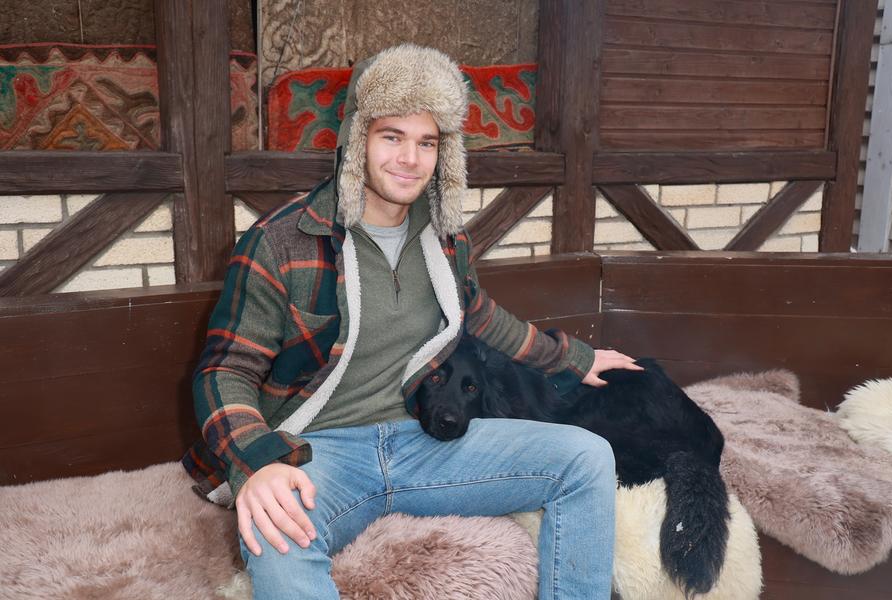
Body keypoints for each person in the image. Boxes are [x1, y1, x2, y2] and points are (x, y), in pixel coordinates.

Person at [183, 44, 641, 600]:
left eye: (427, 142)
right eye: (392, 137)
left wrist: (574, 359)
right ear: (358, 139)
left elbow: (479, 315)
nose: (409, 159)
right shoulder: (280, 242)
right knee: (276, 533)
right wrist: (259, 462)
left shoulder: (445, 240)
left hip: (424, 439)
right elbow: (225, 370)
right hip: (319, 453)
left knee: (587, 457)